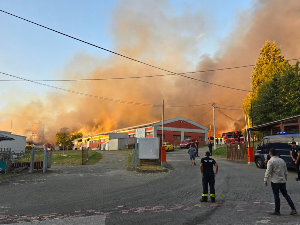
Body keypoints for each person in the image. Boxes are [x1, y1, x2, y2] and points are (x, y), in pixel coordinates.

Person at [264, 148, 297, 216]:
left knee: (276, 195)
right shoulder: (282, 160)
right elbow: (285, 171)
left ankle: (277, 210)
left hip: (275, 181)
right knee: (285, 194)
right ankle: (293, 208)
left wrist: (265, 179)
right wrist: (285, 179)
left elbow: (268, 171)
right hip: (282, 180)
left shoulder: (271, 161)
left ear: (270, 154)